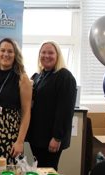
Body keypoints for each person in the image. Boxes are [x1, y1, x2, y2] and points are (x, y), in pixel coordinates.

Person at [27, 41, 77, 170]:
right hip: (37, 137)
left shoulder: (64, 77)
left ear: (58, 56)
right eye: (43, 52)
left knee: (49, 170)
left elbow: (65, 111)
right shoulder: (38, 76)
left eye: (50, 53)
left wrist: (57, 137)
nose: (46, 56)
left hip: (51, 138)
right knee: (39, 170)